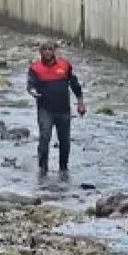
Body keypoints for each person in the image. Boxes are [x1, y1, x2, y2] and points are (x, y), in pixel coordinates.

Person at [26, 40, 86, 175]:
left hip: (63, 110)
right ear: (40, 52)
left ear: (54, 51)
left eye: (50, 49)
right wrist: (33, 92)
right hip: (45, 110)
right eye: (44, 49)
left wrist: (80, 103)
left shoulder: (64, 65)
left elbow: (75, 85)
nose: (47, 52)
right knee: (44, 138)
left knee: (65, 141)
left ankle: (63, 169)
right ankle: (43, 170)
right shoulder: (35, 68)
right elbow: (31, 85)